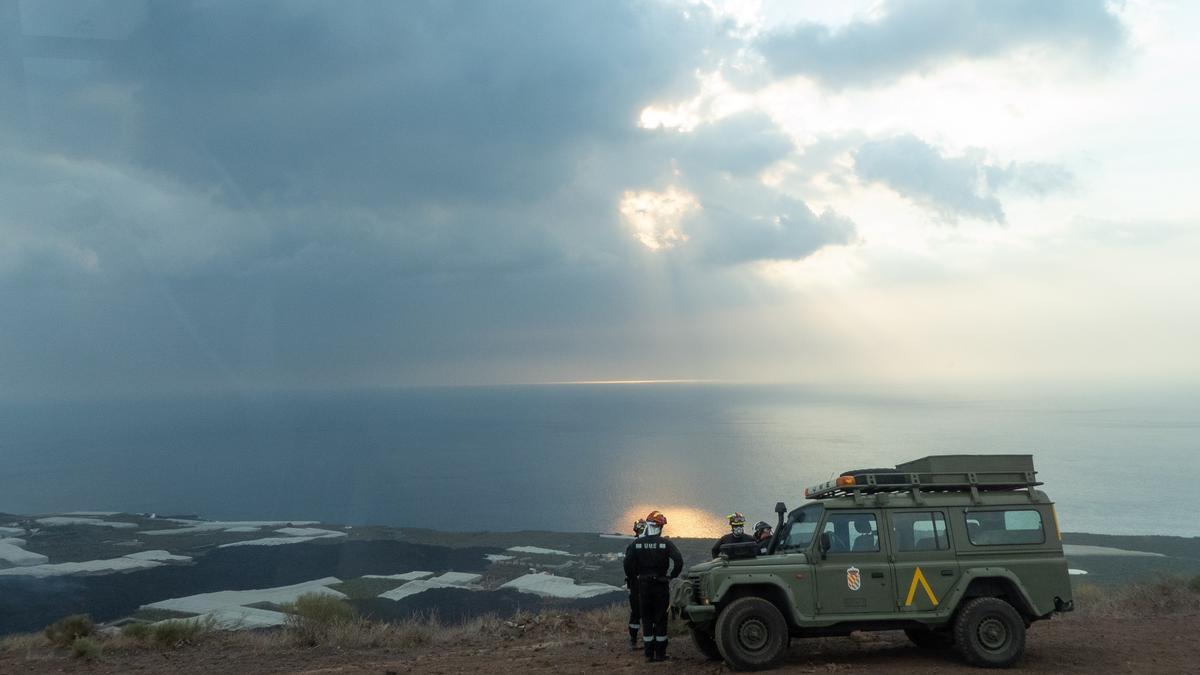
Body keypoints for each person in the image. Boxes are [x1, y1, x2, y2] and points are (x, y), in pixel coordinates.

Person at [623, 510, 683, 662]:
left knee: (647, 619)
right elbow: (679, 561)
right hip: (661, 585)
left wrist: (633, 578)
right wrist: (672, 576)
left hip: (643, 586)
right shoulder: (666, 543)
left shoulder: (637, 544)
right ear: (660, 527)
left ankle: (649, 654)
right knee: (661, 619)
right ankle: (660, 654)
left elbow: (627, 563)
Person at [623, 519, 647, 649]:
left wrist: (632, 578)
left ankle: (633, 640)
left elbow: (627, 565)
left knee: (635, 613)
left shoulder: (632, 546)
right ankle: (650, 640)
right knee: (651, 612)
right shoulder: (652, 545)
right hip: (649, 583)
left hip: (635, 584)